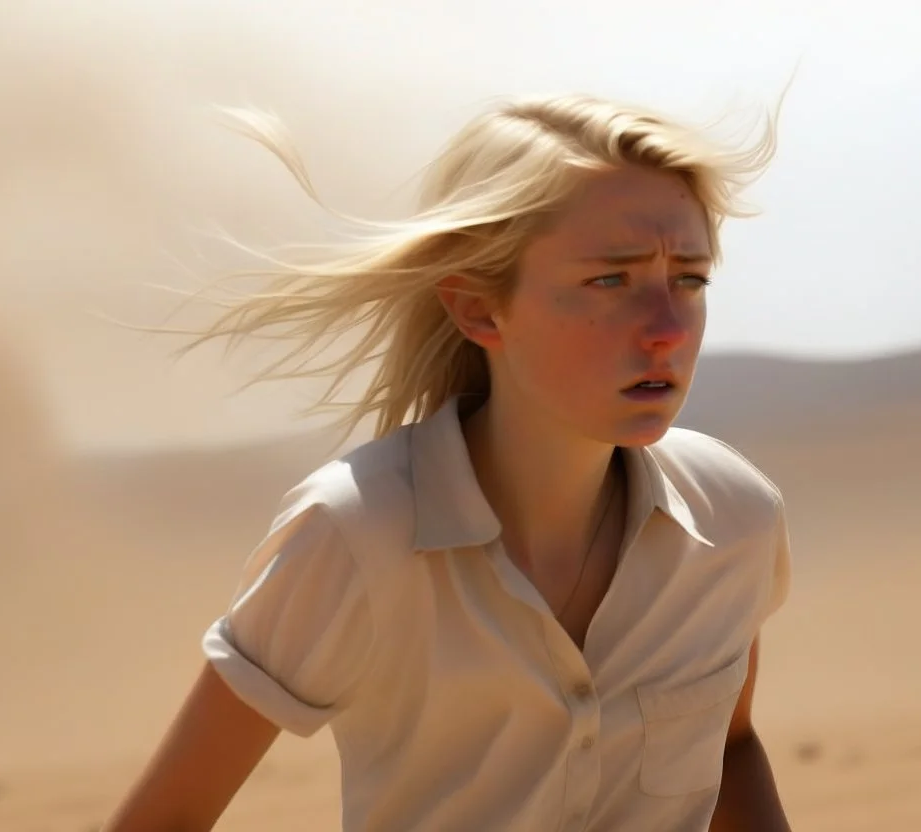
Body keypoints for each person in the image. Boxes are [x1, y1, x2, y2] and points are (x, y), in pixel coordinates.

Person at [103, 91, 793, 832]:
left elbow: (731, 744)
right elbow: (164, 817)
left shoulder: (735, 518)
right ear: (477, 307)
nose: (665, 328)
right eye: (609, 280)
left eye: (688, 279)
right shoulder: (353, 535)